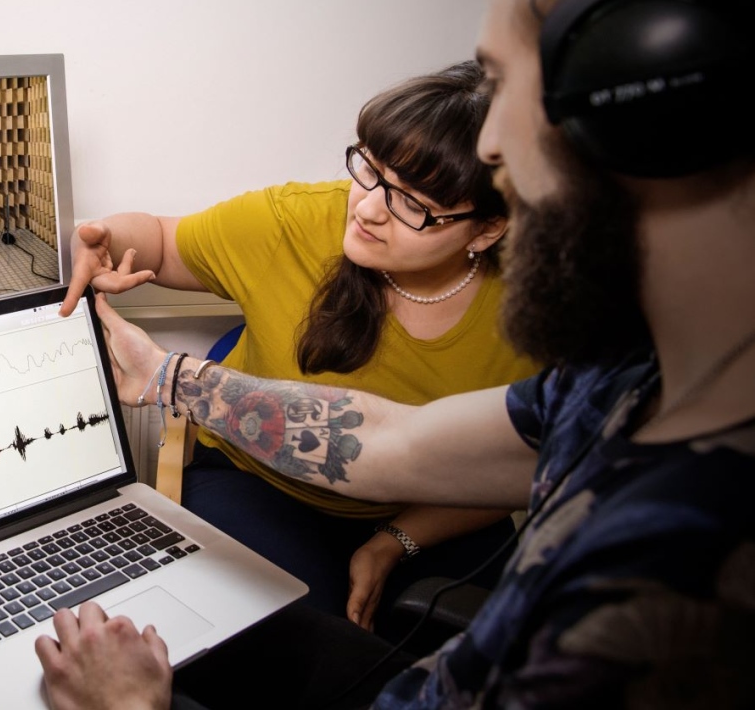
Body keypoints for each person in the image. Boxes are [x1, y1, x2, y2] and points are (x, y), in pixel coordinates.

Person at [39, 0, 755, 707]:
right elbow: (389, 442)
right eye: (370, 172)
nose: (496, 144)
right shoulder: (614, 391)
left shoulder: (672, 564)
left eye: (505, 86)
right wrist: (170, 377)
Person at [59, 61, 540, 635]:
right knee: (302, 639)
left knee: (476, 642)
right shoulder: (295, 221)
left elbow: (510, 464)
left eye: (413, 204)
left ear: (487, 229)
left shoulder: (539, 305)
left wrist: (395, 541)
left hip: (432, 507)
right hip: (258, 482)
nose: (365, 209)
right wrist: (108, 241)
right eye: (370, 169)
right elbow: (162, 240)